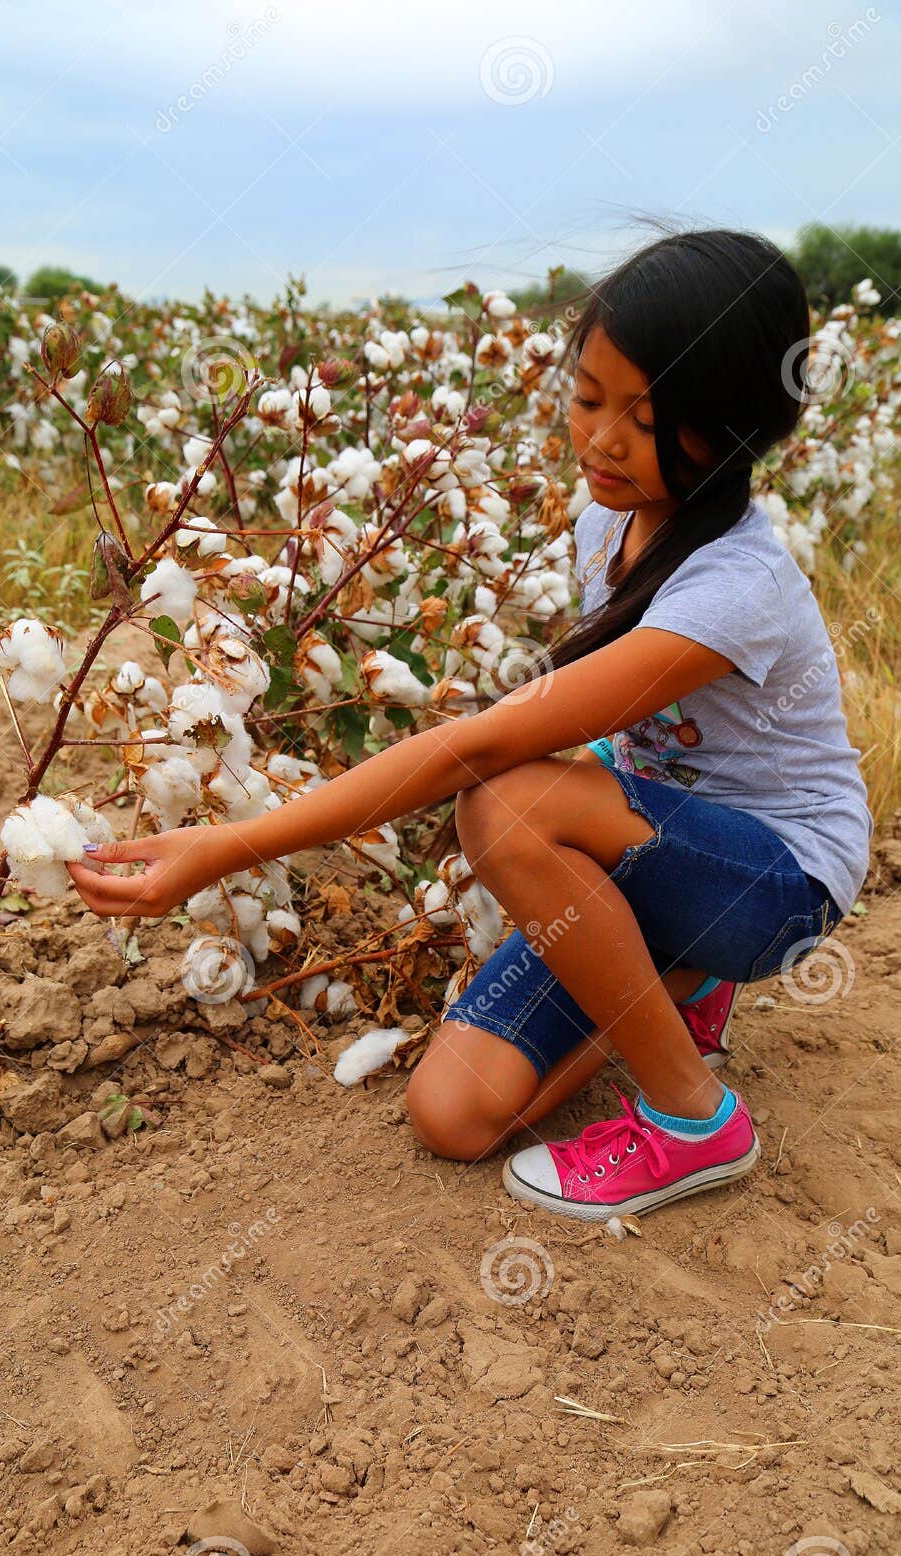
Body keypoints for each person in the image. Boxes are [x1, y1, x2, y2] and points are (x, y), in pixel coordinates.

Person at [69, 228, 874, 1224]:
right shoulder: (607, 524)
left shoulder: (735, 587)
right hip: (659, 850)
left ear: (736, 428)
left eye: (646, 417)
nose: (601, 441)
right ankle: (676, 976)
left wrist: (228, 846)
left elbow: (487, 746)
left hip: (776, 881)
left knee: (505, 805)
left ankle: (693, 1118)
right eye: (587, 398)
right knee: (450, 1115)